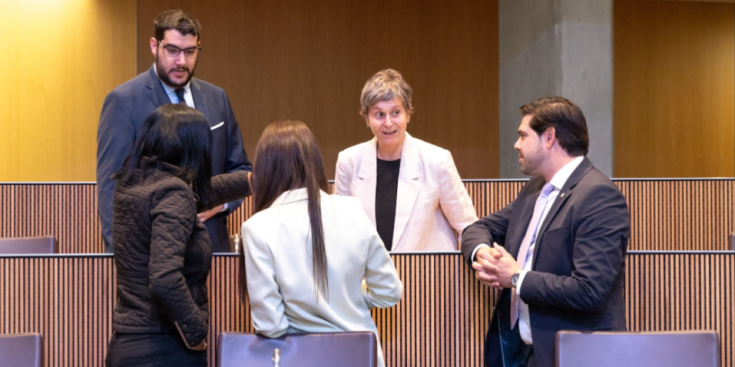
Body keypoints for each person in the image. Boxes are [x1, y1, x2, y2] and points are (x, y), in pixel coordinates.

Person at [461, 97, 631, 367]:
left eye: (523, 135)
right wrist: (484, 256)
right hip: (527, 353)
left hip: (577, 355)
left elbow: (589, 290)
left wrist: (516, 277)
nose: (516, 144)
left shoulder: (598, 196)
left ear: (549, 137)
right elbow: (479, 228)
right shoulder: (535, 189)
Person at [240, 120, 402, 367]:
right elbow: (389, 292)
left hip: (300, 359)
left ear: (264, 169)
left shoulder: (256, 227)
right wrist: (349, 294)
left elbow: (270, 326)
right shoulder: (352, 209)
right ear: (313, 161)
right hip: (360, 358)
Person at [105, 104, 250, 366]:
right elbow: (164, 277)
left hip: (126, 344)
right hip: (165, 348)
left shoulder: (132, 184)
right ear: (195, 147)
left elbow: (202, 191)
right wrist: (196, 333)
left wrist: (254, 181)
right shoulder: (173, 192)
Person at [97, 9, 251, 253]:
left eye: (190, 52)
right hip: (149, 252)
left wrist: (220, 205)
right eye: (172, 50)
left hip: (212, 248)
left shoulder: (217, 98)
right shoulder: (123, 101)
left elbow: (241, 169)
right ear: (154, 46)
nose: (181, 61)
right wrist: (120, 260)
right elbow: (111, 188)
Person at [335, 69, 477, 252]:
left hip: (427, 276)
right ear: (367, 119)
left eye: (395, 112)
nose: (388, 123)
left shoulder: (437, 160)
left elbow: (467, 226)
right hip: (368, 278)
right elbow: (342, 230)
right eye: (379, 114)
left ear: (408, 114)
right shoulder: (349, 162)